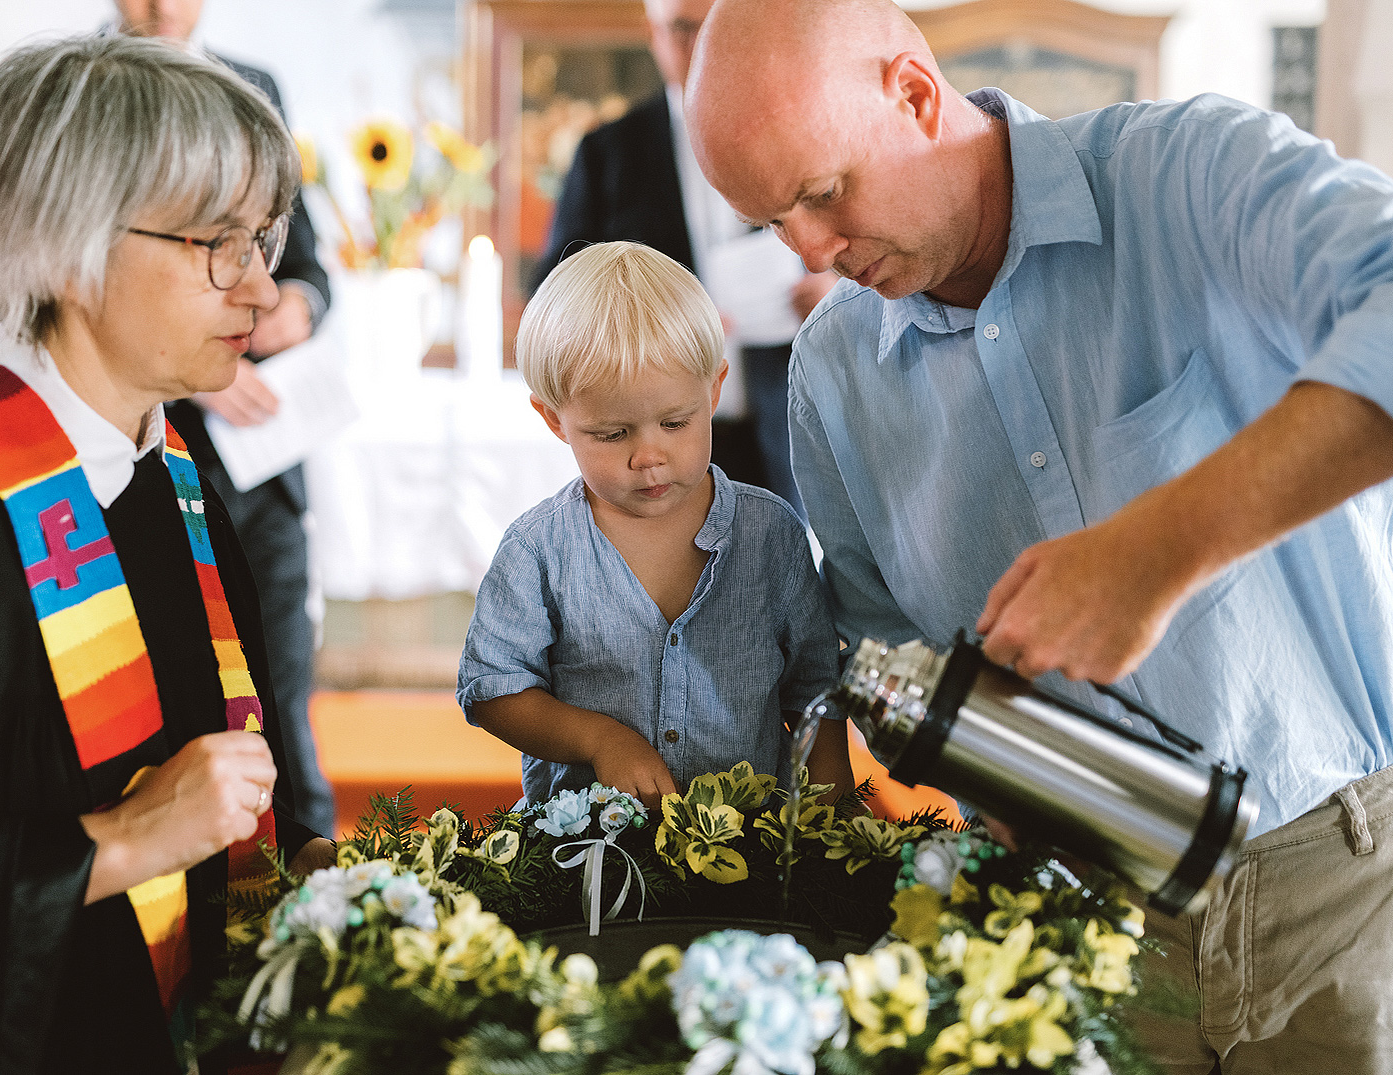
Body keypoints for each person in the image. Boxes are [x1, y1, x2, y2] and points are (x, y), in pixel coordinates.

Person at [687, 0, 1393, 1069]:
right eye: (771, 221)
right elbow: (888, 664)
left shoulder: (1186, 175)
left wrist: (1159, 547)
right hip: (1076, 929)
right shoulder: (832, 376)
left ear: (915, 95)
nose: (813, 252)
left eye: (823, 193)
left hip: (1347, 890)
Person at [0, 36, 334, 1075]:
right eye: (218, 243)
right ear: (71, 251)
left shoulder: (167, 475)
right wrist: (117, 841)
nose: (260, 294)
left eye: (264, 240)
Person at [457, 241, 855, 809]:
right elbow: (492, 689)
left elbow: (816, 687)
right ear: (554, 420)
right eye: (612, 434)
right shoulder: (538, 549)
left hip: (751, 857)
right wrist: (598, 739)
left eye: (675, 422)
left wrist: (830, 809)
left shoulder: (771, 535)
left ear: (713, 390)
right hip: (589, 859)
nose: (649, 455)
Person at [115, 0, 337, 838]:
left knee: (282, 705)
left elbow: (306, 265)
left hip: (265, 462)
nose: (163, 5)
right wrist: (201, 370)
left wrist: (299, 306)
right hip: (150, 452)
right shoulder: (84, 90)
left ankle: (307, 903)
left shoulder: (257, 87)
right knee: (174, 710)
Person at [534, 0, 837, 518]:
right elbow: (554, 292)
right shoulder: (608, 152)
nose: (702, 42)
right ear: (654, 35)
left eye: (715, 25)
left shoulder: (792, 127)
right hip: (651, 441)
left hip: (788, 420)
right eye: (681, 28)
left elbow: (850, 232)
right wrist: (656, 325)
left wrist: (835, 285)